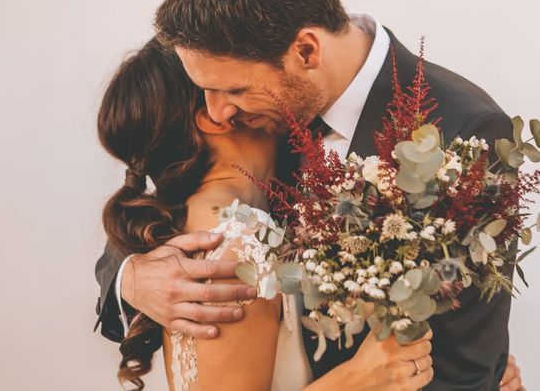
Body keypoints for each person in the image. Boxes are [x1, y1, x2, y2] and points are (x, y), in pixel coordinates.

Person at [95, 0, 525, 390]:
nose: (216, 112)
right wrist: (131, 279)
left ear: (305, 51)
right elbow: (156, 198)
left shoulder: (461, 133)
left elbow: (465, 371)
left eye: (232, 89)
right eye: (206, 92)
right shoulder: (255, 118)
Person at [99, 38, 435, 390]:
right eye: (238, 84)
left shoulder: (227, 214)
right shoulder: (240, 244)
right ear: (216, 116)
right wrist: (355, 381)